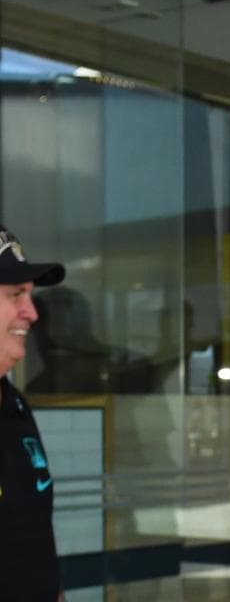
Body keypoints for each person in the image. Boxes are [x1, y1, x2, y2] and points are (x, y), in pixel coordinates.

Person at [0, 225, 66, 601]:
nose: (32, 313)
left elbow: (34, 546)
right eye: (15, 294)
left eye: (31, 294)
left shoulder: (17, 406)